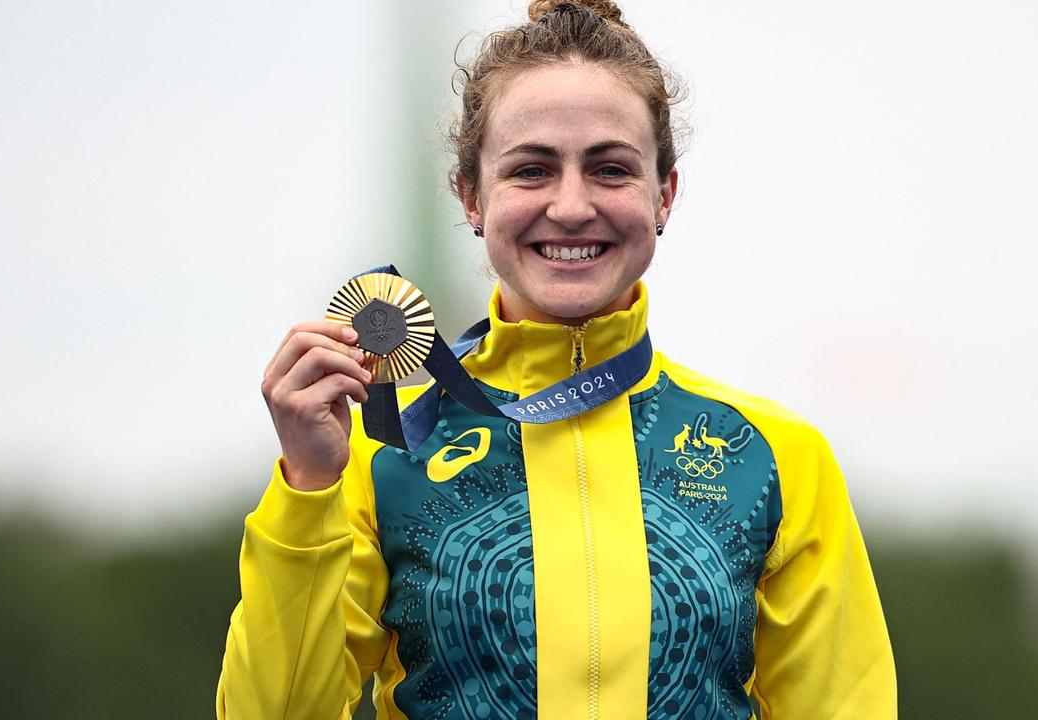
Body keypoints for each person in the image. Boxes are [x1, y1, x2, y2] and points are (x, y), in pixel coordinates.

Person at [217, 1, 897, 718]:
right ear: (471, 195)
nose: (571, 206)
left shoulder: (775, 460)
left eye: (609, 169)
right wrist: (309, 485)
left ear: (663, 193)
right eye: (532, 170)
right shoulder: (377, 457)